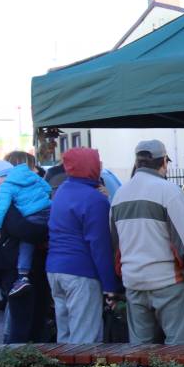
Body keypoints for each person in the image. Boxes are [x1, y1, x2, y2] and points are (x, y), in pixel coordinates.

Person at [110, 140, 184, 345]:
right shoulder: (169, 192)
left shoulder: (119, 195)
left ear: (137, 163)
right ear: (163, 162)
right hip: (170, 282)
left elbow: (116, 246)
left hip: (134, 282)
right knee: (179, 352)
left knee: (140, 353)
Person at [44, 147, 120, 343]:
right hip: (81, 274)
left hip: (55, 270)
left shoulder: (61, 191)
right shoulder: (95, 200)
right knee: (84, 340)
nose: (100, 165)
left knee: (65, 336)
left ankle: (61, 364)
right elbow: (100, 246)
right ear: (90, 166)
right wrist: (110, 286)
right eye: (97, 162)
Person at [0, 150, 53, 299]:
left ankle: (22, 275)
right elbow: (22, 229)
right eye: (33, 166)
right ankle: (22, 275)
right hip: (14, 261)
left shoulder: (7, 188)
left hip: (23, 261)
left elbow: (5, 216)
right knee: (23, 308)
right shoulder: (27, 180)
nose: (36, 170)